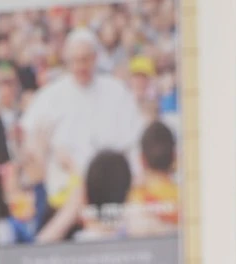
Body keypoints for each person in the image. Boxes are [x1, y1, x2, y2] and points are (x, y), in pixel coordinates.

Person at [18, 27, 144, 210]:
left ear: (95, 58)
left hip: (111, 192)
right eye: (74, 60)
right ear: (67, 61)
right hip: (64, 197)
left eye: (84, 59)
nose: (80, 66)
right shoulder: (49, 96)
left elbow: (133, 141)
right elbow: (30, 142)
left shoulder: (116, 91)